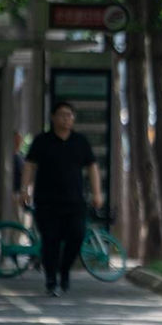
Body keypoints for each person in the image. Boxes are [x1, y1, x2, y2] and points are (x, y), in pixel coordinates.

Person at [20, 102, 103, 296]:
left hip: (74, 201)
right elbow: (30, 165)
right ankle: (51, 280)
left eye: (70, 115)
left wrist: (97, 193)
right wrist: (24, 190)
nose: (66, 119)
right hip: (46, 201)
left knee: (77, 236)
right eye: (62, 115)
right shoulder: (42, 141)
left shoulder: (80, 142)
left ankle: (64, 269)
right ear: (53, 117)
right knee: (51, 241)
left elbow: (92, 167)